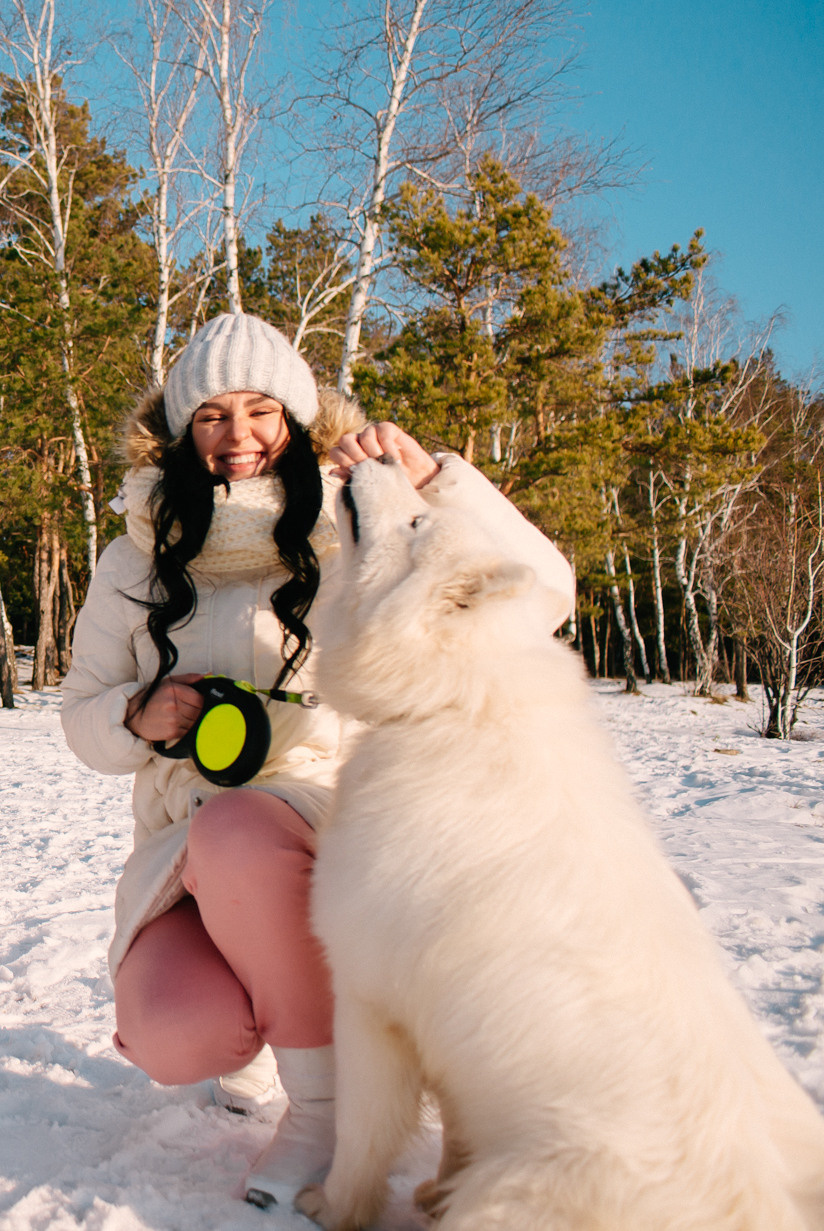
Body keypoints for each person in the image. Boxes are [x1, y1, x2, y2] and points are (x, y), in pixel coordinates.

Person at [58, 313, 573, 1210]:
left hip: (339, 826)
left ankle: (329, 1111)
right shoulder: (130, 557)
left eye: (261, 410)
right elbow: (80, 719)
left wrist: (435, 482)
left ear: (295, 423)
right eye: (212, 415)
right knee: (172, 1034)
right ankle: (281, 1019)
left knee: (240, 833)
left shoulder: (356, 525)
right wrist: (135, 714)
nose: (238, 436)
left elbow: (544, 595)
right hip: (188, 842)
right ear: (184, 433)